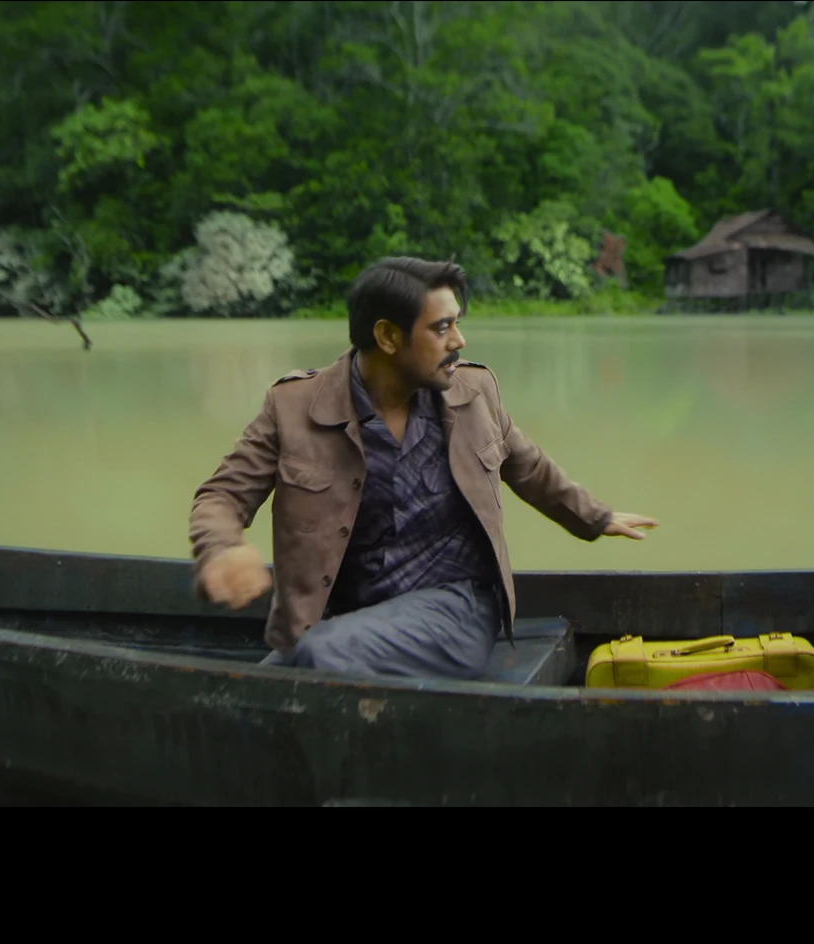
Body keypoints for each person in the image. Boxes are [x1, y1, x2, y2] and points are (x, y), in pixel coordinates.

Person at [189, 256, 658, 680]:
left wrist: (595, 516)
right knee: (266, 683)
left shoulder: (474, 394)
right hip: (339, 617)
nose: (459, 341)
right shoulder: (294, 407)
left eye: (457, 324)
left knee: (321, 655)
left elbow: (527, 465)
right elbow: (222, 495)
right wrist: (222, 548)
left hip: (454, 606)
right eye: (442, 328)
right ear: (388, 337)